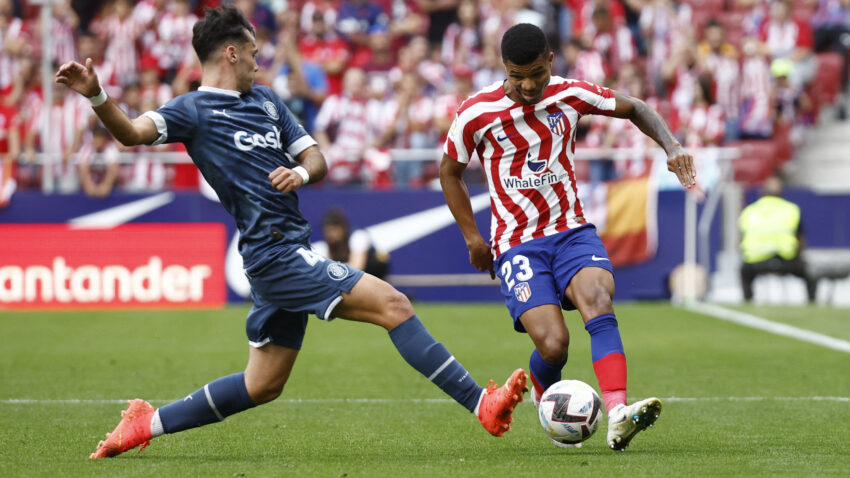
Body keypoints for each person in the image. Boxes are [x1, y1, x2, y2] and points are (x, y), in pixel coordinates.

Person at [55, 6, 526, 459]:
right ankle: (480, 404)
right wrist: (97, 96)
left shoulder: (266, 101)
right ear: (231, 53)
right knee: (394, 305)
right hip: (274, 254)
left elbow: (315, 157)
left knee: (262, 385)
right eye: (253, 53)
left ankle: (146, 423)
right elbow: (131, 133)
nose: (259, 63)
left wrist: (299, 173)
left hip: (286, 246)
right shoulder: (192, 110)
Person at [440, 23, 697, 451]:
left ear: (551, 61)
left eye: (537, 74)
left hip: (570, 231)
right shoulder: (476, 112)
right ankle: (547, 397)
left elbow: (635, 107)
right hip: (517, 243)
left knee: (598, 300)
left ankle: (618, 412)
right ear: (503, 67)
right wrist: (472, 238)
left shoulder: (569, 93)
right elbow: (449, 172)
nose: (528, 85)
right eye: (517, 75)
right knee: (554, 345)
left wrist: (672, 147)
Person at [739, 174, 816, 303]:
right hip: (787, 260)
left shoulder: (749, 211)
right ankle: (812, 303)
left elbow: (742, 240)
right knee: (810, 274)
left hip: (755, 262)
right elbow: (801, 239)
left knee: (744, 272)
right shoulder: (791, 210)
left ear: (762, 192)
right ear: (782, 193)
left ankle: (748, 301)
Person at [313, 207, 390, 279]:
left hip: (374, 274)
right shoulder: (326, 245)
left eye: (333, 230)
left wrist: (330, 269)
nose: (330, 234)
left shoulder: (358, 236)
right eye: (326, 231)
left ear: (342, 228)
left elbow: (357, 267)